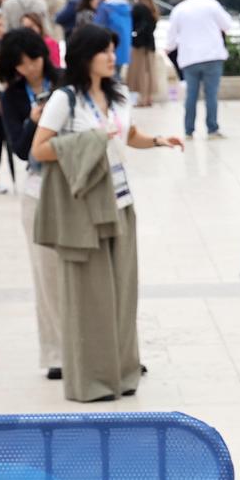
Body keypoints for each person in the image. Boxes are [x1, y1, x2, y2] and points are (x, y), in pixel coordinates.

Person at [33, 24, 180, 400]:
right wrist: (91, 140)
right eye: (105, 51)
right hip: (84, 208)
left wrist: (159, 140)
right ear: (85, 56)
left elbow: (128, 135)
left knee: (122, 292)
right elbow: (41, 149)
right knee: (89, 295)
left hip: (121, 203)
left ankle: (123, 371)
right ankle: (92, 380)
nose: (113, 57)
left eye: (114, 50)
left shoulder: (117, 97)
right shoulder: (64, 100)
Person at [0, 26, 65, 380]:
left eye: (35, 60)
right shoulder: (10, 98)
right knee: (46, 273)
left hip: (75, 184)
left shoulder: (68, 83)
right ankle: (56, 352)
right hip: (39, 187)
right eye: (22, 65)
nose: (31, 69)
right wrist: (32, 121)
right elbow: (20, 150)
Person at [164, 0, 239, 139]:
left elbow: (170, 39)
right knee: (211, 95)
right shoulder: (212, 4)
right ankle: (212, 129)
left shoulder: (178, 10)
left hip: (189, 59)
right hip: (212, 56)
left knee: (191, 95)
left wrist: (168, 49)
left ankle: (188, 130)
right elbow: (227, 25)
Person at [126, 0, 168, 108]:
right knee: (149, 71)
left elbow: (134, 23)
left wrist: (134, 35)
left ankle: (142, 99)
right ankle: (148, 98)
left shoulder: (139, 8)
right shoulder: (152, 9)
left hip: (139, 44)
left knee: (140, 72)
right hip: (150, 44)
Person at [93, 0, 134, 67]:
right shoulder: (126, 6)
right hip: (123, 47)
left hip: (107, 47)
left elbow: (97, 26)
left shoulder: (105, 7)